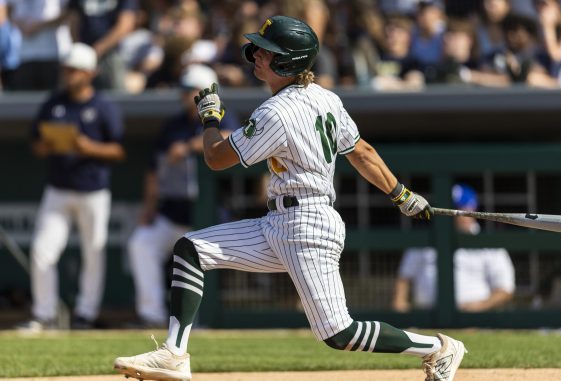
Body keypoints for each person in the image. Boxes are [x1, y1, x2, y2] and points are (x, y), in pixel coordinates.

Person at [113, 15, 466, 381]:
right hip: (278, 223)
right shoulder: (326, 98)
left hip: (306, 225)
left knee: (339, 334)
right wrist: (401, 194)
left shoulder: (275, 112)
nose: (257, 56)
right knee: (190, 249)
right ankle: (174, 354)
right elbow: (362, 152)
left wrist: (210, 121)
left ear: (289, 62)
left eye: (267, 52)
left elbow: (216, 159)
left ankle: (439, 348)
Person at [16, 42, 125, 332]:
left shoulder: (103, 106)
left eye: (74, 70)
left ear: (90, 73)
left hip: (93, 190)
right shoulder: (53, 102)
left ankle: (85, 315)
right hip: (58, 188)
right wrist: (48, 144)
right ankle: (44, 315)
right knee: (42, 250)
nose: (69, 75)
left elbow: (118, 151)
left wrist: (88, 147)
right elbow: (36, 144)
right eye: (66, 69)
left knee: (93, 253)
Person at [126, 64, 238, 328]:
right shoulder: (173, 125)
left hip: (209, 212)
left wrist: (189, 146)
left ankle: (200, 321)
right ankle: (151, 315)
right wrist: (149, 207)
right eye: (185, 91)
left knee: (205, 261)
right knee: (141, 244)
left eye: (192, 91)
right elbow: (154, 169)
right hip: (173, 211)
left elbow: (232, 138)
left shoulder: (223, 116)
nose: (186, 96)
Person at [393, 184, 515, 313]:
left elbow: (505, 289)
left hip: (474, 319)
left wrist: (480, 307)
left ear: (472, 210)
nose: (451, 216)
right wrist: (400, 304)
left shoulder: (488, 244)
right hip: (426, 316)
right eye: (447, 210)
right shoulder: (425, 239)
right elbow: (404, 277)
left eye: (457, 210)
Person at [67, 0, 138, 90]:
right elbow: (73, 20)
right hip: (84, 57)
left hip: (111, 55)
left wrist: (99, 48)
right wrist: (81, 50)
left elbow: (125, 24)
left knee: (116, 94)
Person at [5, 0, 72, 91]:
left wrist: (40, 25)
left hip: (51, 55)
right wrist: (21, 25)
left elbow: (69, 12)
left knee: (50, 97)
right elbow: (8, 10)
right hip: (23, 57)